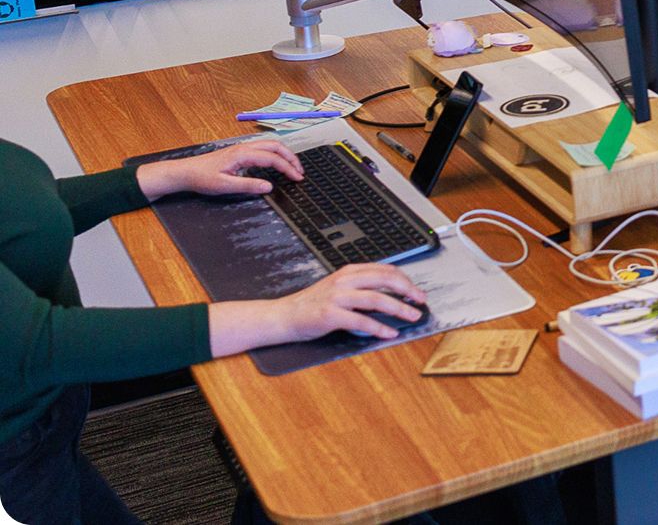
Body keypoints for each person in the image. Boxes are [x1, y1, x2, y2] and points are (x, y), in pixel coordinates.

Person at [0, 138, 426, 525]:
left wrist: (167, 174)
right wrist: (288, 315)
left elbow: (21, 212)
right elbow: (37, 344)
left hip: (41, 416)